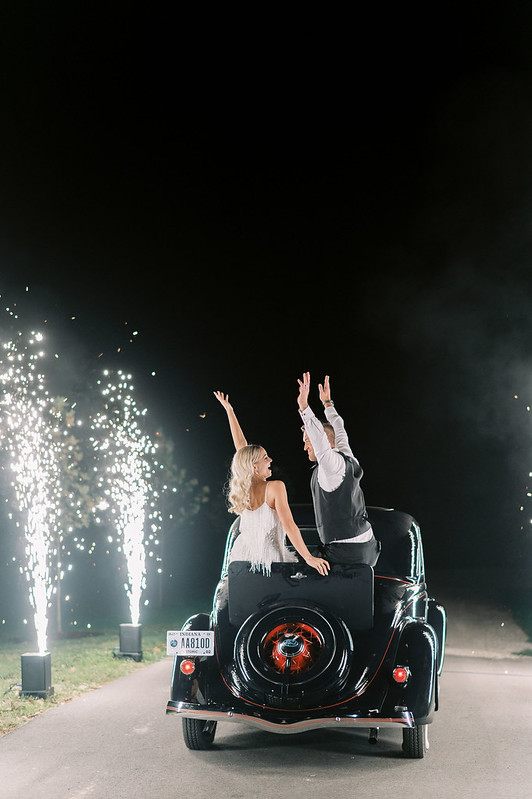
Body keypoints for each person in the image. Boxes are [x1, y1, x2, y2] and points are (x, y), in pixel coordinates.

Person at [214, 391, 329, 576]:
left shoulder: (243, 490)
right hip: (268, 562)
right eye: (265, 458)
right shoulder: (275, 487)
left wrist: (230, 411)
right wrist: (309, 558)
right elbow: (289, 525)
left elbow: (241, 449)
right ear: (254, 467)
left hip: (240, 559)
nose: (270, 460)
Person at [297, 372, 380, 567]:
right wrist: (328, 404)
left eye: (306, 442)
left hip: (347, 552)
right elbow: (339, 428)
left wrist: (304, 407)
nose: (305, 447)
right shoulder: (347, 456)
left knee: (295, 564)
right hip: (367, 545)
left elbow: (319, 439)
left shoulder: (332, 465)